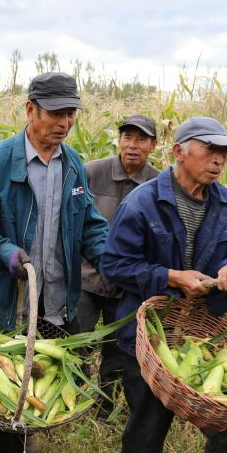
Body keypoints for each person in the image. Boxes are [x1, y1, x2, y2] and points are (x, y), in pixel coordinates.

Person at [100, 116, 227, 453]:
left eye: (224, 152)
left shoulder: (226, 207)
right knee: (149, 418)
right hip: (148, 328)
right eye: (210, 149)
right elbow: (115, 265)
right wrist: (172, 277)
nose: (219, 160)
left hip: (200, 331)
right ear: (178, 152)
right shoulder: (143, 202)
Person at [0, 72, 111, 453]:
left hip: (55, 297)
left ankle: (26, 436)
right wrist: (6, 251)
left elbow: (89, 227)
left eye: (70, 113)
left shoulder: (73, 165)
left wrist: (109, 259)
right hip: (9, 300)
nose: (64, 122)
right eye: (55, 112)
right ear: (30, 111)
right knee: (9, 390)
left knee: (41, 374)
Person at [75, 114, 160, 413]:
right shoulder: (91, 172)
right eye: (127, 137)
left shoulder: (158, 184)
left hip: (126, 287)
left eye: (141, 139)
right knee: (78, 343)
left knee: (116, 349)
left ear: (153, 145)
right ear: (119, 140)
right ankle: (72, 401)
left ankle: (104, 406)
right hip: (86, 278)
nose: (133, 145)